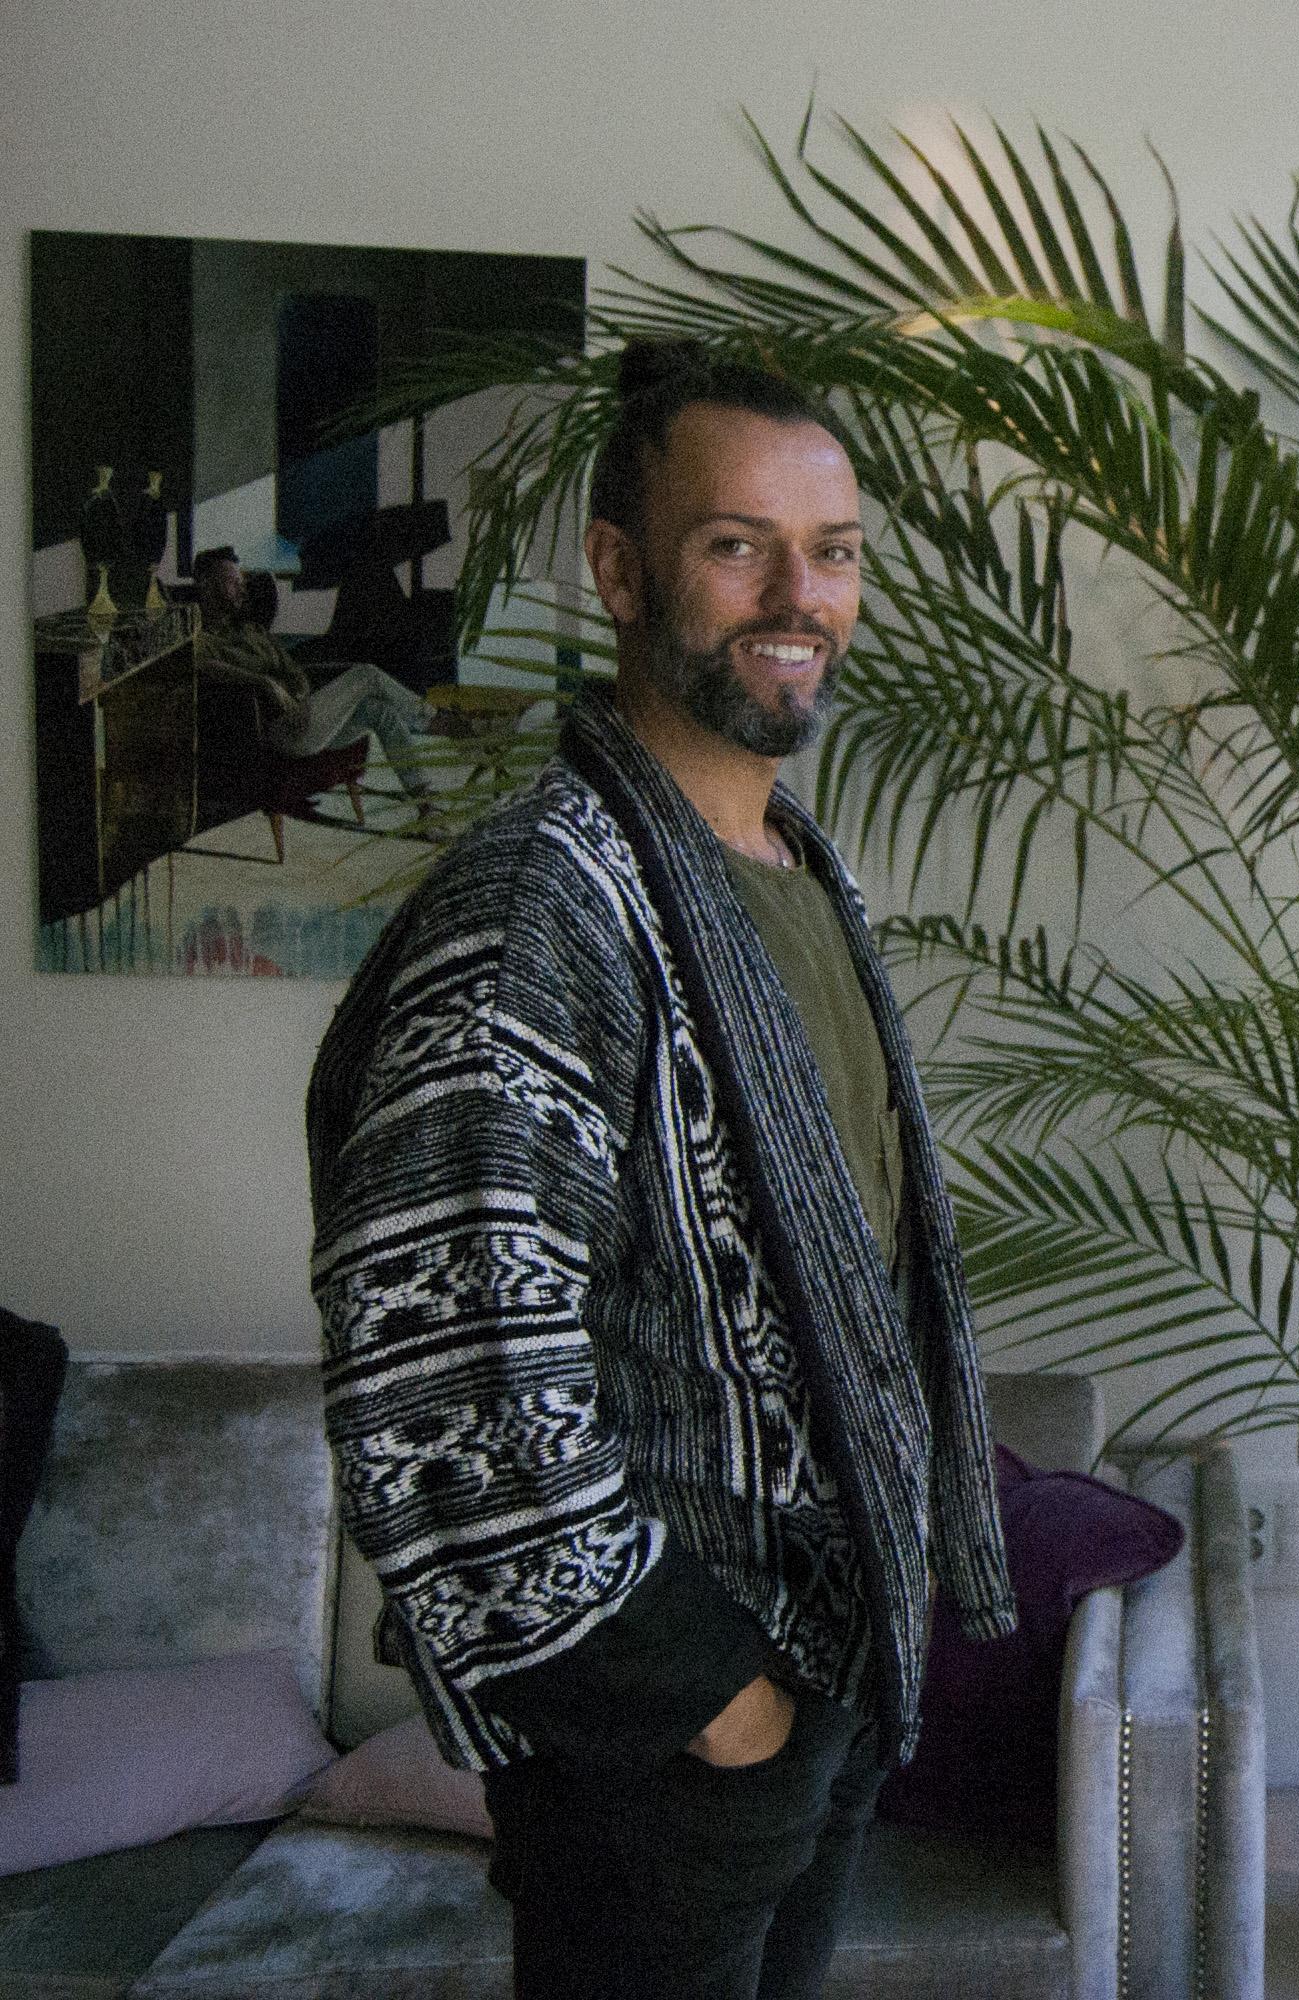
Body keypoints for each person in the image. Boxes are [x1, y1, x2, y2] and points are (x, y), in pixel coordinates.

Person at [305, 341, 1017, 2000]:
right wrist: (706, 1695)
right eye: (736, 546)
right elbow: (445, 1365)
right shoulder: (544, 905)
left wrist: (833, 1660)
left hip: (828, 1669)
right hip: (672, 1734)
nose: (799, 596)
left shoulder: (794, 871)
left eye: (832, 552)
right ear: (620, 571)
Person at [191, 546, 438, 802]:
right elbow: (203, 665)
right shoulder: (201, 639)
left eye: (242, 582)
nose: (242, 589)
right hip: (276, 732)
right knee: (366, 675)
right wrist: (265, 683)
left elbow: (295, 672)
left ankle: (423, 798)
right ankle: (434, 720)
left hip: (303, 721)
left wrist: (299, 696)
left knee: (380, 711)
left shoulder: (253, 631)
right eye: (233, 582)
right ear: (207, 585)